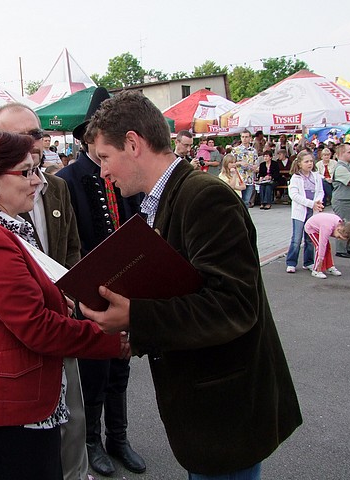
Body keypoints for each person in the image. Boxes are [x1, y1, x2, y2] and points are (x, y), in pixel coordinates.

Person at [79, 90, 302, 480]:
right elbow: (184, 291)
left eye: (104, 157)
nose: (102, 172)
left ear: (133, 144)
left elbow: (234, 305)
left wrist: (136, 316)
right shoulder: (167, 198)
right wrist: (136, 327)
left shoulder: (205, 198)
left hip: (226, 413)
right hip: (208, 410)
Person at [0, 131, 127, 480]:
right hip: (7, 407)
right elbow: (37, 327)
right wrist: (115, 340)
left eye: (36, 169)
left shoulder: (5, 229)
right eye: (26, 172)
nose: (36, 181)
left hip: (23, 399)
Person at [0, 102, 86, 480]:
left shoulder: (57, 186)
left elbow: (71, 247)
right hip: (18, 334)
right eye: (18, 136)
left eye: (35, 133)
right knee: (33, 431)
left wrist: (73, 299)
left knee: (73, 418)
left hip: (62, 321)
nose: (31, 142)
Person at [57, 87, 146, 476]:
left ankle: (118, 439)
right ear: (87, 138)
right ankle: (91, 441)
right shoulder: (67, 180)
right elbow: (68, 244)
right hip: (90, 294)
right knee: (95, 372)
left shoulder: (125, 173)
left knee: (121, 368)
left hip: (126, 288)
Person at [285, 150, 325, 273]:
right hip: (300, 212)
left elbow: (320, 191)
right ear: (300, 164)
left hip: (313, 212)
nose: (310, 164)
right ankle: (291, 262)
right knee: (296, 239)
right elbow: (294, 195)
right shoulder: (296, 178)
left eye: (311, 161)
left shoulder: (316, 176)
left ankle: (309, 262)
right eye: (306, 161)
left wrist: (318, 202)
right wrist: (310, 203)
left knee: (310, 238)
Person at [304, 213, 350, 279]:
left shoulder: (340, 224)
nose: (338, 238)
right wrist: (321, 260)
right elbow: (322, 245)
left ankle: (329, 266)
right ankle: (316, 270)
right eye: (339, 237)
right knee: (319, 246)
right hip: (311, 227)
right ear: (339, 230)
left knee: (327, 247)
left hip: (320, 225)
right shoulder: (327, 228)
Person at [231, 129, 259, 207]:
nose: (244, 139)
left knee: (246, 201)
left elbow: (256, 164)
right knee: (238, 201)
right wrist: (239, 163)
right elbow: (230, 163)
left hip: (249, 178)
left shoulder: (253, 151)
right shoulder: (235, 150)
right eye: (243, 137)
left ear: (250, 138)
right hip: (239, 178)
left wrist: (255, 167)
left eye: (246, 137)